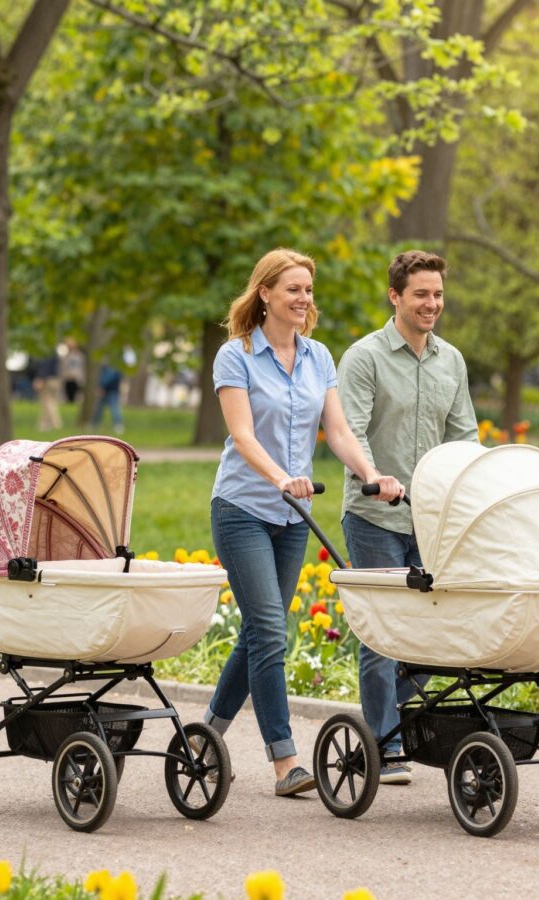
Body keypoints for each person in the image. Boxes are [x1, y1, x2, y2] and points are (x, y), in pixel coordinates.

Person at [203, 248, 403, 797]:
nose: (303, 299)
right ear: (265, 292)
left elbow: (337, 432)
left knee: (257, 634)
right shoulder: (236, 356)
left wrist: (373, 474)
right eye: (293, 289)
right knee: (269, 630)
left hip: (295, 516)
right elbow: (243, 436)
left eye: (308, 291)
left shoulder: (318, 358)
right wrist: (279, 477)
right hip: (243, 508)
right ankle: (285, 761)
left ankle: (204, 739)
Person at [337, 250, 478, 785]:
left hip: (431, 521)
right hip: (375, 516)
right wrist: (376, 476)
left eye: (437, 294)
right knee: (382, 636)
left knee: (424, 637)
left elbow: (463, 437)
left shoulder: (451, 360)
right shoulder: (365, 358)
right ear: (395, 296)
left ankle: (412, 733)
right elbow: (347, 430)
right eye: (421, 294)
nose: (432, 304)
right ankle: (385, 742)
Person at [32, 351, 63, 431]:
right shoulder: (54, 351)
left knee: (48, 403)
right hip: (55, 379)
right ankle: (44, 425)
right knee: (49, 402)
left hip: (48, 380)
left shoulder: (47, 350)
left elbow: (45, 366)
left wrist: (40, 378)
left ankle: (56, 423)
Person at [91, 361, 124, 434]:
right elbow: (102, 378)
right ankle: (94, 424)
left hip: (112, 391)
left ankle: (118, 425)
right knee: (99, 410)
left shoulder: (115, 366)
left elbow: (110, 378)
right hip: (105, 391)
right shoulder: (104, 366)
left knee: (114, 409)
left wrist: (102, 387)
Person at [61, 339, 85, 404]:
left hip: (77, 378)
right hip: (68, 377)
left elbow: (81, 367)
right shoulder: (65, 355)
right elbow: (64, 366)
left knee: (76, 395)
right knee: (68, 394)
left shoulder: (80, 356)